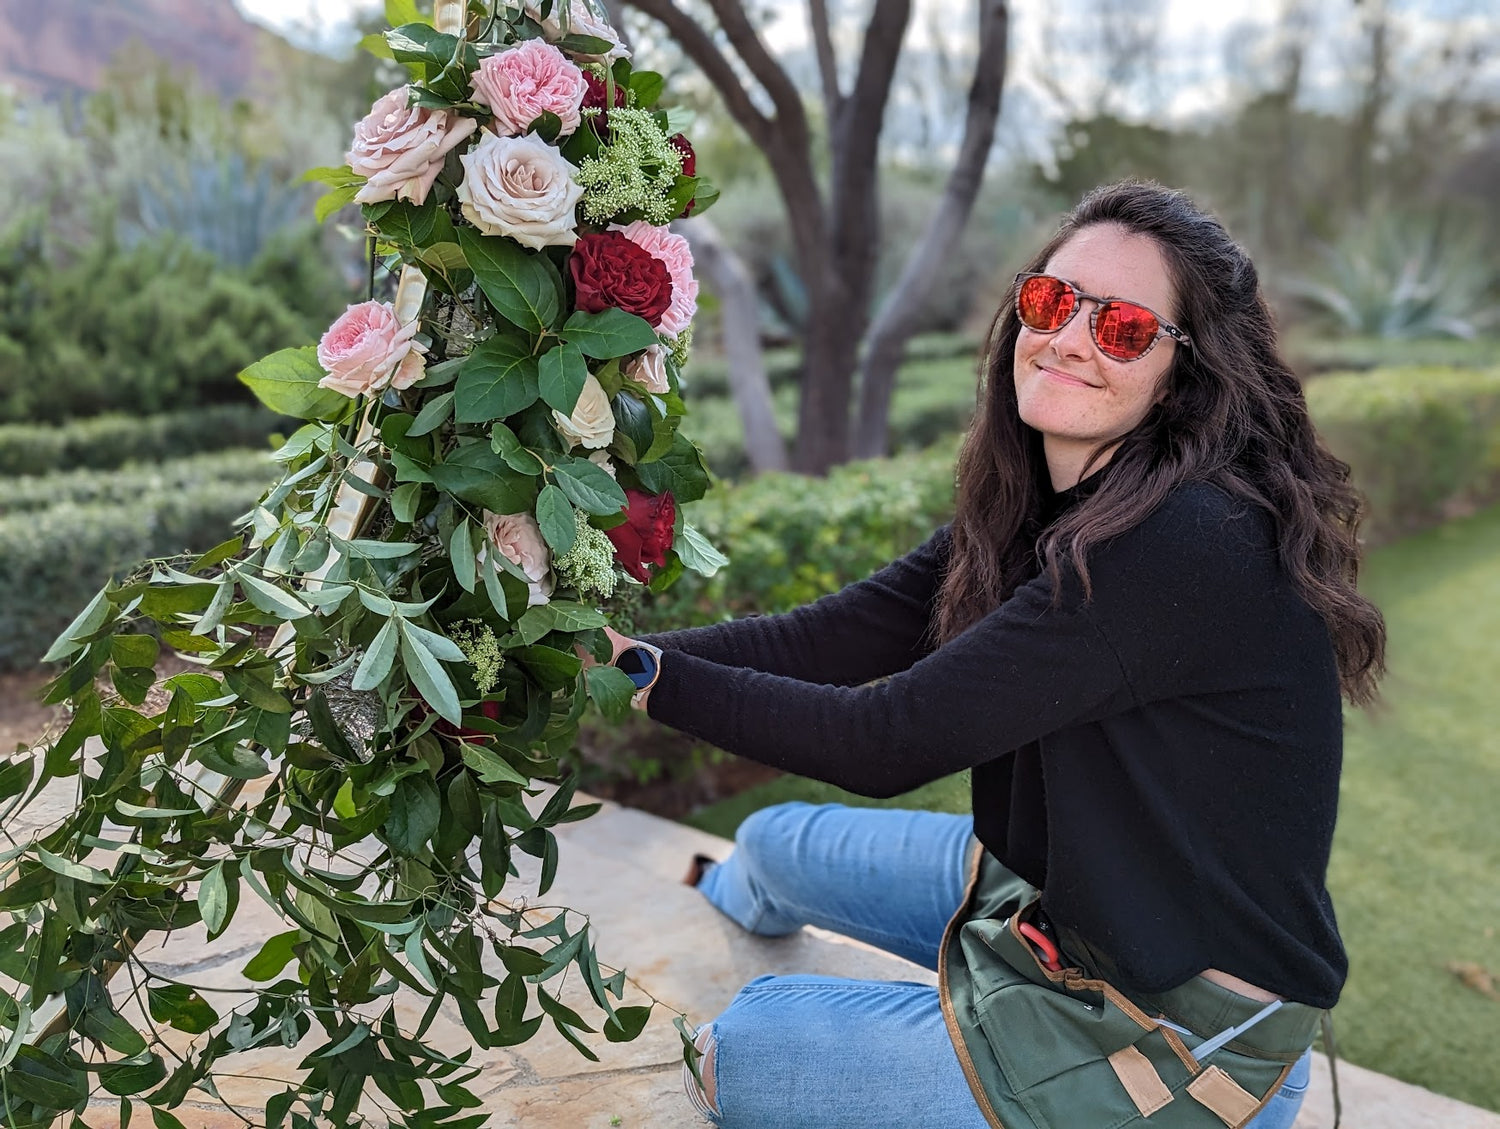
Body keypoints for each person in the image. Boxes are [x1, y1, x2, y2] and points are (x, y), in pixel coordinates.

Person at [580, 180, 1385, 1129]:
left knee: (746, 1048)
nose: (1071, 339)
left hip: (1177, 1035)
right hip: (1064, 892)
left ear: (1186, 370)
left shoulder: (1180, 541)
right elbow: (837, 636)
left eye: (1123, 327)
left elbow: (885, 739)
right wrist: (615, 651)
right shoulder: (1043, 496)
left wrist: (642, 680)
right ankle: (741, 898)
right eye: (1052, 301)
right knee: (771, 844)